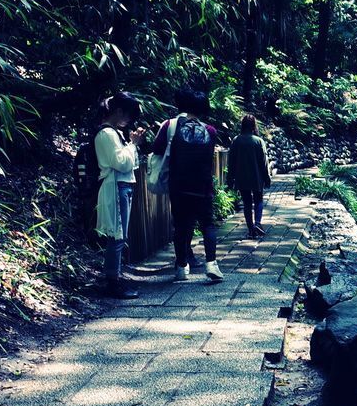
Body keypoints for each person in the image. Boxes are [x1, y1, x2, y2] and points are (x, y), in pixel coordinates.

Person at [153, 88, 224, 283]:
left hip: (178, 186)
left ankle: (182, 268)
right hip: (203, 187)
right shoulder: (210, 130)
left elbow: (157, 148)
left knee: (181, 226)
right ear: (203, 110)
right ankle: (212, 264)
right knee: (208, 224)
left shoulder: (170, 125)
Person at [94, 92, 145, 299]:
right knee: (117, 236)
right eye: (128, 116)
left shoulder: (114, 133)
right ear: (118, 111)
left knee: (119, 235)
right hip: (116, 187)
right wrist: (133, 144)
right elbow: (122, 163)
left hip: (122, 186)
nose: (129, 122)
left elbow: (130, 163)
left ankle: (114, 278)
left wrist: (131, 144)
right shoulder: (107, 134)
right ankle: (112, 282)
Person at [226, 114, 271, 238]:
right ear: (254, 126)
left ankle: (251, 229)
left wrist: (229, 179)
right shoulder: (259, 141)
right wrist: (267, 178)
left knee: (246, 202)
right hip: (257, 176)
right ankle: (257, 223)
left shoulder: (236, 140)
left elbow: (231, 162)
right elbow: (264, 162)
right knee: (258, 200)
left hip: (242, 177)